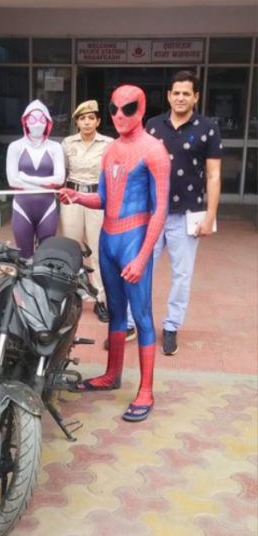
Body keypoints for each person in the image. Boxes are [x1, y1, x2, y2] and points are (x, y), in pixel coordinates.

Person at [60, 84, 170, 422]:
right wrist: (78, 197)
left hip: (134, 240)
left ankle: (146, 390)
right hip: (108, 241)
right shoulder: (110, 151)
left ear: (142, 108)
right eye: (114, 109)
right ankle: (112, 374)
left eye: (128, 108)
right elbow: (105, 200)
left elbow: (161, 209)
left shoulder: (154, 151)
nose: (119, 116)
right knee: (115, 310)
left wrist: (142, 256)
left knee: (142, 314)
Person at [141, 70, 222, 356]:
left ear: (196, 97)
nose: (180, 97)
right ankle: (132, 321)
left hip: (187, 214)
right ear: (168, 95)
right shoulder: (152, 126)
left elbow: (213, 175)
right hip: (151, 213)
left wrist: (210, 215)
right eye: (176, 92)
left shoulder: (208, 128)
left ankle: (171, 328)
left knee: (182, 274)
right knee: (138, 269)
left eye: (186, 93)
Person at [60, 100, 114, 323]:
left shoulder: (109, 144)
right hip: (71, 199)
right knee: (71, 249)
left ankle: (100, 299)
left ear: (98, 121)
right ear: (77, 122)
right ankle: (73, 297)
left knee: (96, 249)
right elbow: (60, 172)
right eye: (82, 118)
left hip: (97, 199)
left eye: (91, 118)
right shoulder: (67, 143)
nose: (87, 122)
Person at [6, 100, 66, 258]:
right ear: (25, 121)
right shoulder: (15, 147)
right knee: (24, 257)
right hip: (22, 208)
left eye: (42, 119)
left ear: (48, 122)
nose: (38, 124)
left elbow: (59, 180)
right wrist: (46, 183)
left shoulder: (55, 147)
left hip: (48, 208)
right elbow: (12, 181)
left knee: (45, 257)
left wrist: (27, 178)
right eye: (32, 119)